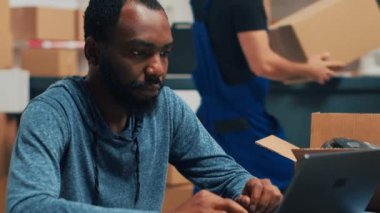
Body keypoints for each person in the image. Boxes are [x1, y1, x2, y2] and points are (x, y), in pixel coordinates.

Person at [6, 0, 282, 212]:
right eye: (139, 53)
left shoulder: (166, 107)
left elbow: (224, 173)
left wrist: (251, 187)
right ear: (93, 53)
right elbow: (27, 206)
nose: (157, 69)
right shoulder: (52, 113)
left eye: (164, 53)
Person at [190, 0, 343, 192]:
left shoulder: (203, 3)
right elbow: (263, 64)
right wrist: (310, 69)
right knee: (297, 182)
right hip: (243, 124)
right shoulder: (247, 4)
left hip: (212, 121)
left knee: (217, 191)